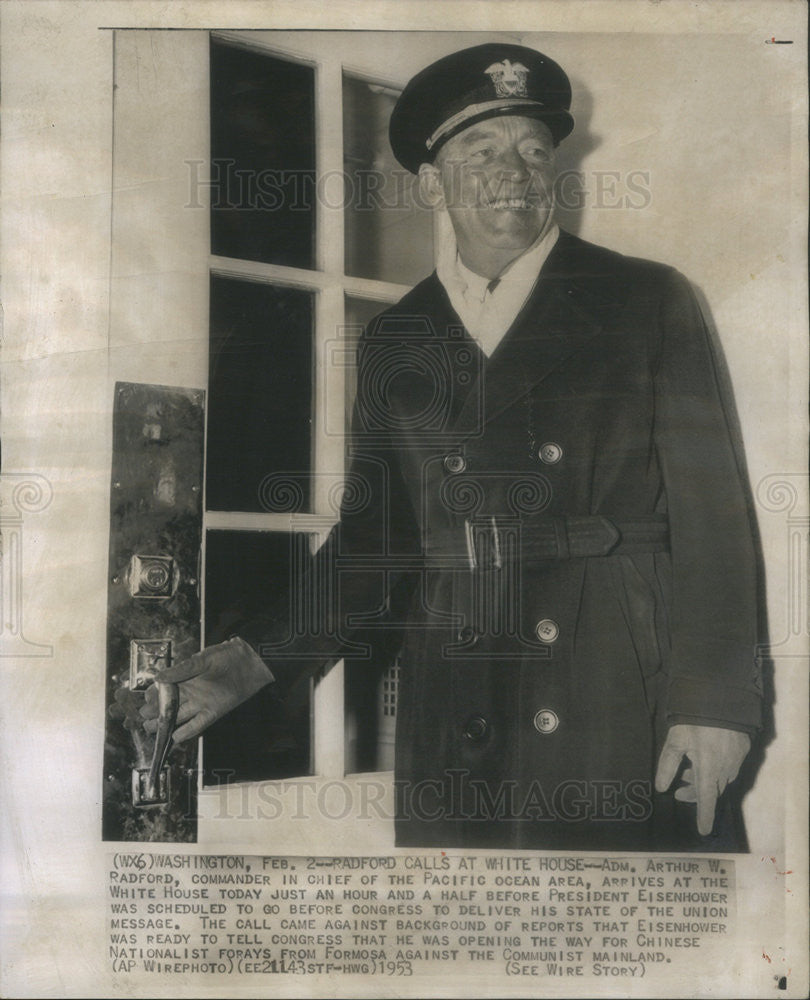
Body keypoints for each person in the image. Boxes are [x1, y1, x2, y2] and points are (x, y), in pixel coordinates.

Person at [143, 42, 762, 851]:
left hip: (614, 675)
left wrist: (716, 705)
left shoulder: (646, 299)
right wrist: (259, 657)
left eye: (535, 150)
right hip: (460, 678)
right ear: (432, 182)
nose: (517, 169)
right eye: (483, 150)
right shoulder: (401, 332)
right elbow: (378, 541)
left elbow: (715, 520)